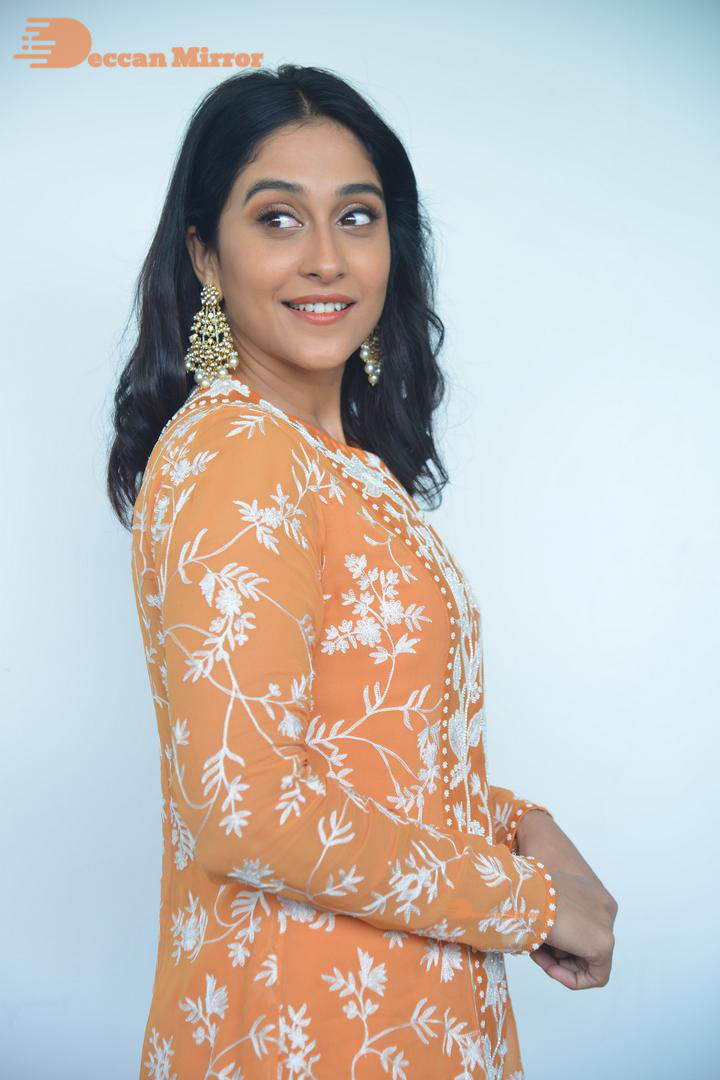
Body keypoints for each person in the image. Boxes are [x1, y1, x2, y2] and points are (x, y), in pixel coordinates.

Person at [107, 63, 617, 1080]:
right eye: (278, 219)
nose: (327, 259)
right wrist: (530, 903)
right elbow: (246, 813)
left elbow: (367, 755)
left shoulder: (342, 468)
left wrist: (520, 823)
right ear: (206, 255)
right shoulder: (238, 451)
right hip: (307, 1030)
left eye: (358, 217)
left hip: (406, 1014)